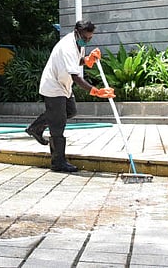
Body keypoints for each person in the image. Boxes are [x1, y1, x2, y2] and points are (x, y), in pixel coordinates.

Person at [25, 20, 114, 173]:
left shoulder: (78, 43)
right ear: (76, 31)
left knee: (70, 112)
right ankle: (58, 163)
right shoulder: (67, 46)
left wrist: (88, 60)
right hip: (54, 85)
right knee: (58, 123)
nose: (86, 41)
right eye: (84, 38)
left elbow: (76, 61)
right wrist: (96, 91)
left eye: (89, 39)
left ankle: (35, 127)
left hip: (64, 85)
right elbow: (76, 77)